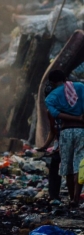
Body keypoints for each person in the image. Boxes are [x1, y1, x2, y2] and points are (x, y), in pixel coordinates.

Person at [45, 70, 84, 207]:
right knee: (79, 165)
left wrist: (73, 117)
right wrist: (80, 117)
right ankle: (76, 198)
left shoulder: (50, 97)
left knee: (67, 166)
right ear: (65, 78)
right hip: (81, 131)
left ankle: (71, 199)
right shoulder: (79, 87)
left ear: (51, 82)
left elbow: (55, 113)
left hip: (66, 132)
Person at [37, 81, 62, 201]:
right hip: (60, 142)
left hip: (72, 139)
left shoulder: (68, 108)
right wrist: (44, 146)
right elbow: (53, 130)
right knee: (55, 165)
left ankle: (75, 198)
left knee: (74, 169)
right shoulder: (50, 112)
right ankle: (54, 197)